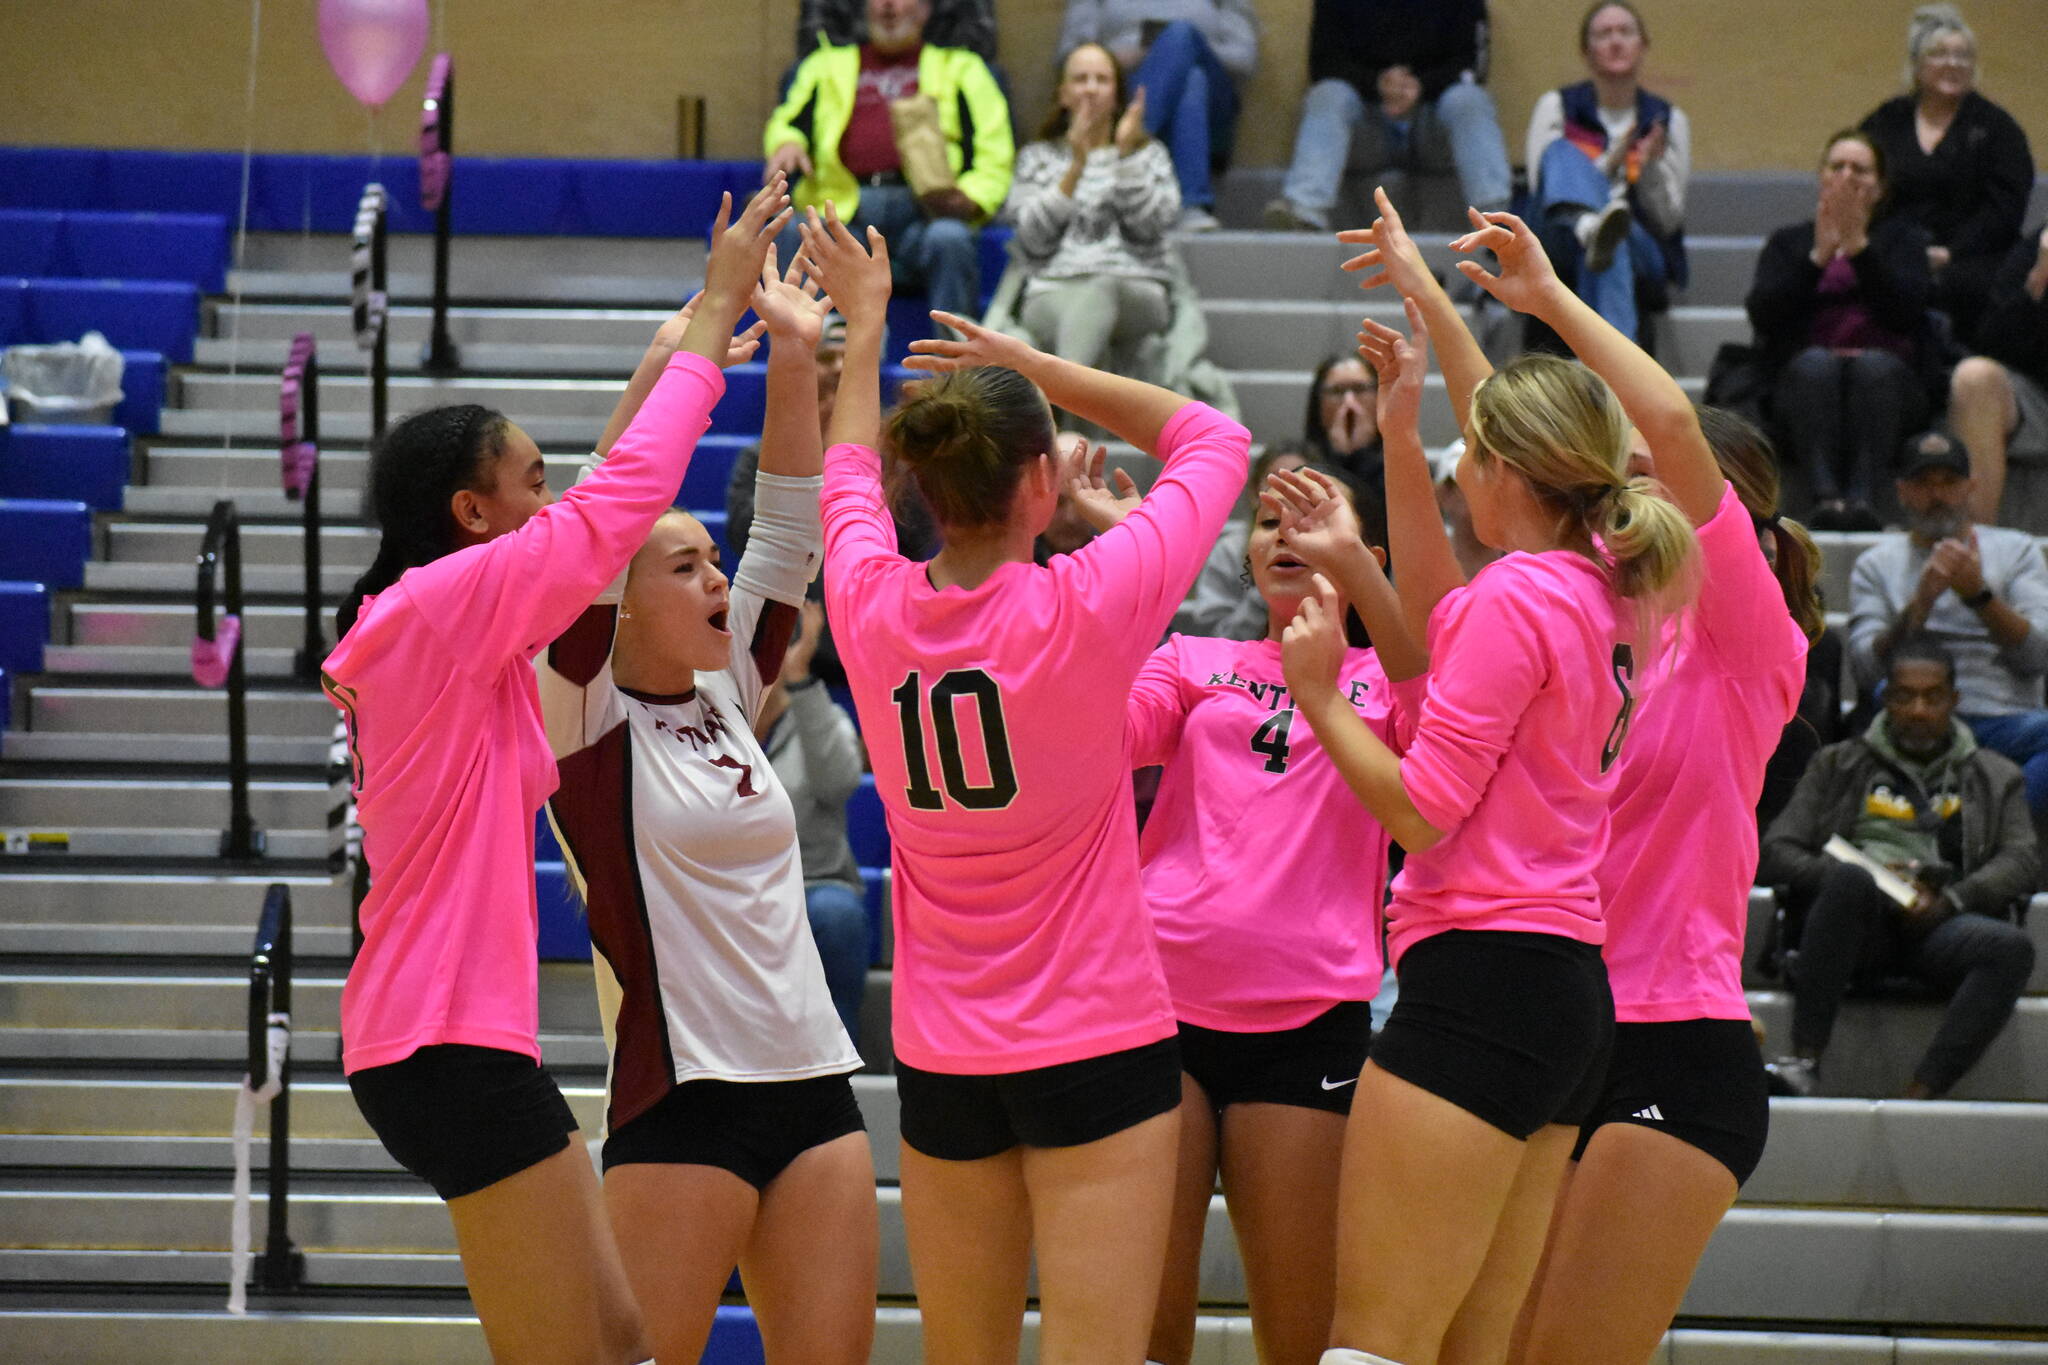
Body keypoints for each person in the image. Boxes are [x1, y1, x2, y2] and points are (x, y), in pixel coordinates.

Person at [320, 181, 787, 1365]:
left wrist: (674, 348)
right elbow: (607, 517)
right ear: (471, 513)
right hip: (444, 1046)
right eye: (524, 482)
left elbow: (581, 515)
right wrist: (720, 307)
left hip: (458, 1047)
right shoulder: (441, 610)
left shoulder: (453, 619)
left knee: (624, 1336)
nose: (548, 498)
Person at [801, 203, 1251, 1363]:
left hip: (944, 1052)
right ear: (1042, 483)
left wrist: (862, 327)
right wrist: (1027, 361)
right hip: (1097, 1038)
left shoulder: (866, 601)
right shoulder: (1088, 603)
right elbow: (1211, 440)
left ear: (926, 490)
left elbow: (844, 468)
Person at [1292, 187, 1701, 1365]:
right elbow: (1441, 616)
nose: (1456, 468)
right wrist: (1416, 401)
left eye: (1466, 455)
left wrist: (1321, 695)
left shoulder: (1523, 596)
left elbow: (1421, 810)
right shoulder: (1605, 586)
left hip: (1478, 980)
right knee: (1470, 1352)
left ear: (1510, 474)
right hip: (1565, 994)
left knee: (1372, 1347)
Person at [536, 248, 874, 1365]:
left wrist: (791, 353)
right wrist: (668, 364)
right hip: (680, 1100)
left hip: (814, 1085)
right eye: (683, 567)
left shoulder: (734, 688)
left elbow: (788, 524)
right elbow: (589, 521)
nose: (719, 578)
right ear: (620, 605)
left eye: (710, 560)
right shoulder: (580, 714)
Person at [1066, 424, 1426, 1365]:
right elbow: (1103, 735)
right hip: (1157, 1011)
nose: (1280, 537)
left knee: (1300, 1333)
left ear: (1363, 552)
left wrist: (1341, 664)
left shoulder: (1387, 685)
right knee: (1144, 1328)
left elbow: (1435, 749)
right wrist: (1128, 565)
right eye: (1267, 520)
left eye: (1309, 519)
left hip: (1309, 1021)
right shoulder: (1192, 656)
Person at [1513, 402, 1819, 1365]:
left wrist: (1552, 299)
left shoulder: (1749, 651)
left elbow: (1676, 430)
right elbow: (1527, 458)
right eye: (1620, 478)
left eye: (1653, 477)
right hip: (1551, 1028)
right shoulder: (1587, 625)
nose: (1627, 493)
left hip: (1674, 1042)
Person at [1759, 637, 2038, 1099]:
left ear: (1954, 701)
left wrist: (1952, 900)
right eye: (1905, 696)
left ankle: (1923, 1091)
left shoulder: (1995, 774)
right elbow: (1777, 850)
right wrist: (1870, 880)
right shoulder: (1836, 764)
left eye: (1932, 697)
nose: (1919, 709)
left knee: (2011, 948)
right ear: (1885, 699)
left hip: (1939, 925)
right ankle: (1804, 1062)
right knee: (1852, 880)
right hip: (1854, 924)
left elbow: (2022, 859)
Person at [1847, 429, 2048, 834]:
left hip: (2001, 717)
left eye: (1949, 482)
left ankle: (1978, 834)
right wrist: (1918, 605)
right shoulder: (1876, 564)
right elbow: (1867, 672)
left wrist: (1980, 596)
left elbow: (2038, 657)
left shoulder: (2017, 550)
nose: (1937, 494)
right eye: (1923, 483)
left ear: (1970, 487)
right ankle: (1982, 837)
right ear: (1902, 491)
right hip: (1914, 716)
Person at [763, 0, 1014, 321]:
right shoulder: (824, 65)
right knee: (799, 231)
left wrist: (971, 199)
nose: (888, 6)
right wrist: (787, 141)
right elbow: (788, 121)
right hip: (843, 209)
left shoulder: (964, 68)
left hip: (926, 214)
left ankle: (958, 358)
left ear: (925, 10)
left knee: (950, 238)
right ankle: (807, 355)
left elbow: (994, 149)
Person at [1745, 129, 1936, 529]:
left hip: (1891, 383)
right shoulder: (1789, 241)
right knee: (1815, 365)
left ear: (1881, 187)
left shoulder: (1904, 240)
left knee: (1872, 368)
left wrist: (1859, 249)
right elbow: (1764, 316)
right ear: (1822, 177)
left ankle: (1863, 499)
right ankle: (1826, 498)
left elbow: (1909, 313)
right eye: (1838, 167)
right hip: (1801, 382)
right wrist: (1817, 258)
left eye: (1861, 170)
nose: (1848, 177)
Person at [1858, 4, 2034, 341]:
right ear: (1917, 64)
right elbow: (1864, 191)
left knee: (1958, 286)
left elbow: (2005, 210)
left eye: (1963, 56)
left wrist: (1951, 253)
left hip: (1977, 256)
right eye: (1940, 54)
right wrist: (1901, 249)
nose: (1954, 64)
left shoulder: (1997, 128)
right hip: (1895, 249)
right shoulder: (1886, 121)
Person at [1006, 44, 1180, 377]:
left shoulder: (1148, 155)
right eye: (1080, 79)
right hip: (1052, 289)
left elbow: (1151, 229)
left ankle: (1064, 404)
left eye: (1102, 80)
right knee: (1088, 296)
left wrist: (1125, 158)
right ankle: (1075, 406)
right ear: (1063, 94)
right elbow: (1032, 240)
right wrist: (1075, 168)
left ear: (1117, 95)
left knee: (1100, 286)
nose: (1090, 88)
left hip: (1137, 288)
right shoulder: (1037, 157)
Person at [1264, 0, 1511, 234]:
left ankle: (1495, 219)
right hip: (1366, 123)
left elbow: (1472, 65)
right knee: (1328, 94)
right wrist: (1378, 84)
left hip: (1431, 124)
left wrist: (1420, 86)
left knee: (1469, 99)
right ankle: (1304, 212)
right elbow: (1324, 64)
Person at [1524, 1, 1690, 347]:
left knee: (1612, 239)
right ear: (1586, 51)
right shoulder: (1556, 106)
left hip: (1640, 244)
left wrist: (1651, 170)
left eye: (1626, 32)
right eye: (1604, 34)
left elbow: (1669, 221)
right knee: (1559, 152)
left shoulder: (1668, 119)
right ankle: (1618, 377)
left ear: (1643, 45)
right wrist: (1608, 166)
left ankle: (1597, 231)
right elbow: (1545, 194)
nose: (1616, 41)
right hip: (1562, 240)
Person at [756, 597, 874, 1046]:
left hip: (816, 883)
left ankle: (840, 1058)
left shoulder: (821, 715)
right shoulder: (713, 722)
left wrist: (801, 681)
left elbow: (839, 782)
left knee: (837, 917)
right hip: (737, 888)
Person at [1057, 0, 1261, 233]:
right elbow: (1068, 55)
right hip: (1125, 92)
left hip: (1213, 108)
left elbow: (1245, 59)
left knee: (1182, 36)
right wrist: (1113, 59)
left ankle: (1128, 149)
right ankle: (1190, 203)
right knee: (1193, 80)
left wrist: (1180, 49)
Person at [1949, 221, 2048, 531]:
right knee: (1975, 379)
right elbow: (1993, 339)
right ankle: (1977, 555)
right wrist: (2038, 283)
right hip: (2039, 390)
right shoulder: (2041, 244)